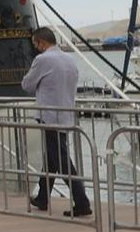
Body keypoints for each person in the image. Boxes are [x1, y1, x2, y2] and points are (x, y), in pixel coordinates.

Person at [20, 27, 89, 215]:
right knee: (52, 158)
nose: (35, 47)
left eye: (36, 44)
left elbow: (27, 84)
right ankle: (43, 197)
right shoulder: (69, 59)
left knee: (61, 160)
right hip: (65, 114)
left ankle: (82, 201)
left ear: (41, 43)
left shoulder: (42, 60)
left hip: (49, 115)